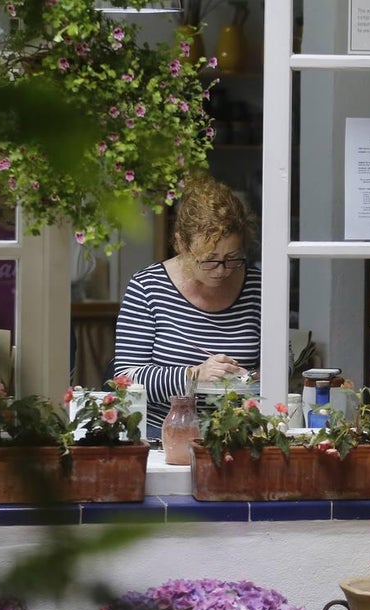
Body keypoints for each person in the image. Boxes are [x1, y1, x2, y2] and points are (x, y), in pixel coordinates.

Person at [110, 175, 260, 439]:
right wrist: (193, 376)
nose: (221, 270)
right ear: (181, 244)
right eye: (209, 260)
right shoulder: (148, 287)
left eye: (233, 258)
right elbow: (126, 378)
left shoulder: (257, 287)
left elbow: (284, 359)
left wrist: (254, 378)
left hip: (240, 434)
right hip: (163, 433)